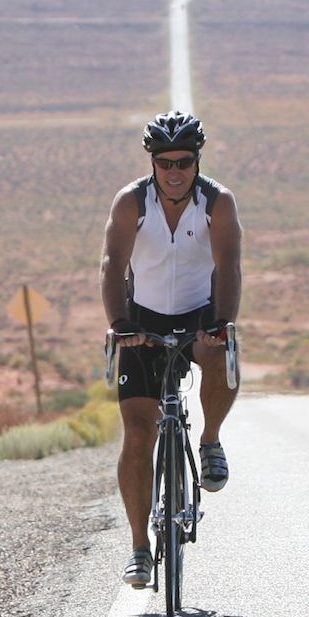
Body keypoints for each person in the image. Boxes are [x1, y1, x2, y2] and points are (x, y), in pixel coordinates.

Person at [102, 110, 241, 589]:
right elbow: (112, 263)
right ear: (153, 163)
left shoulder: (217, 203)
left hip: (199, 310)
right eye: (165, 162)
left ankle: (210, 441)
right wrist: (120, 324)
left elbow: (229, 265)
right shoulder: (132, 203)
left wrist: (220, 324)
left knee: (221, 353)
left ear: (197, 161)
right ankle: (140, 548)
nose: (175, 171)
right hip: (143, 318)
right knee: (138, 435)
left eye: (184, 161)